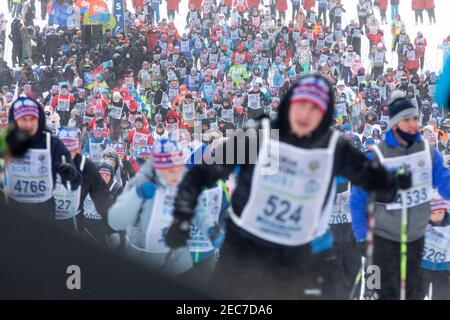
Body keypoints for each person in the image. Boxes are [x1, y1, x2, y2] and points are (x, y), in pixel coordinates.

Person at [164, 74, 411, 299]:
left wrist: (396, 182)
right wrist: (182, 215)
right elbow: (201, 173)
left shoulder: (333, 149)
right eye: (300, 105)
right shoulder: (260, 136)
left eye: (314, 109)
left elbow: (373, 180)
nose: (305, 115)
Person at [351, 94, 450, 300]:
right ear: (394, 124)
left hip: (415, 240)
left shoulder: (428, 153)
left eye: (415, 119)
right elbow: (358, 199)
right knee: (378, 293)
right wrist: (361, 235)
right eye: (407, 120)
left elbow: (445, 183)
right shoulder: (377, 156)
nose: (413, 124)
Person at [108, 139, 226, 277]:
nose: (174, 174)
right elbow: (116, 221)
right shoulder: (141, 183)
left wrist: (211, 228)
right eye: (168, 169)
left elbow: (198, 210)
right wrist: (136, 196)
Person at [4, 97, 81, 223]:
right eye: (24, 119)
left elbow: (74, 178)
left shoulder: (51, 142)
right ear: (15, 121)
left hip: (43, 211)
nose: (29, 124)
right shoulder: (5, 143)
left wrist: (70, 173)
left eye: (32, 119)